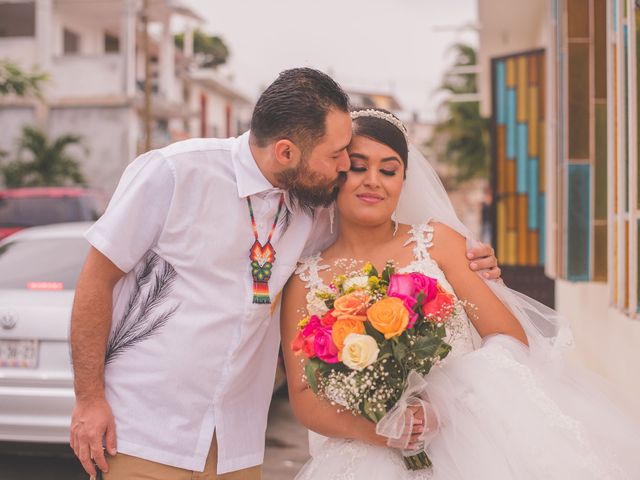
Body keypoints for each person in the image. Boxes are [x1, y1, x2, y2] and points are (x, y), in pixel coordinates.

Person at [68, 69, 500, 480]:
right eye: (337, 157)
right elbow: (96, 280)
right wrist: (89, 399)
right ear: (287, 152)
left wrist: (473, 261)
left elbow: (379, 241)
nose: (343, 168)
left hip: (236, 443)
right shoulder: (175, 173)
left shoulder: (313, 209)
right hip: (142, 433)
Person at [281, 108, 640, 479]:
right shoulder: (305, 279)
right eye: (358, 167)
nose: (373, 181)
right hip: (362, 455)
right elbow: (306, 396)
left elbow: (509, 338)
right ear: (336, 173)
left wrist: (443, 405)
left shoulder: (440, 244)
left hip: (468, 441)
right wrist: (382, 428)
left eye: (389, 170)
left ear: (404, 180)